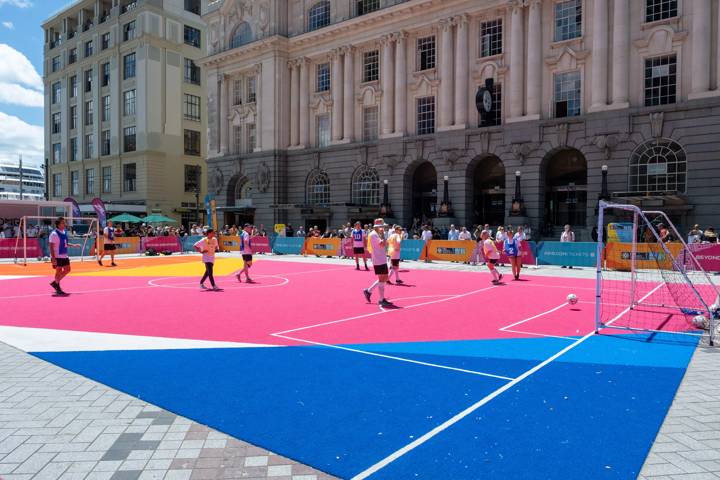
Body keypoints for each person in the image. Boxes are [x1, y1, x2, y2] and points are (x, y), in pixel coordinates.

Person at [363, 219, 394, 307]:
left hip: (381, 259)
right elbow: (382, 244)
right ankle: (381, 299)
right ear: (378, 227)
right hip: (378, 260)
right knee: (382, 279)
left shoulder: (376, 234)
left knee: (384, 278)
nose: (383, 228)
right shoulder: (374, 235)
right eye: (382, 226)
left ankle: (369, 291)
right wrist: (383, 236)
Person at [48, 217, 81, 296]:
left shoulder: (64, 232)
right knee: (58, 271)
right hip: (57, 256)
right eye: (63, 223)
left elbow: (65, 244)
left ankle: (55, 283)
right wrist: (53, 258)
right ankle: (58, 287)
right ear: (58, 224)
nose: (64, 224)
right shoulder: (54, 234)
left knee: (68, 269)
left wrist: (73, 245)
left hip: (64, 255)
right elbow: (51, 246)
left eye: (64, 222)